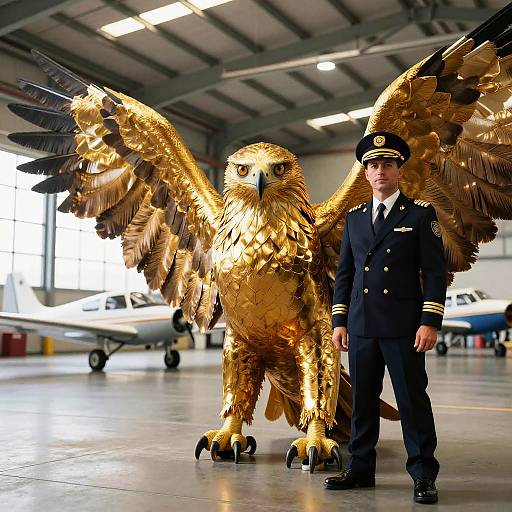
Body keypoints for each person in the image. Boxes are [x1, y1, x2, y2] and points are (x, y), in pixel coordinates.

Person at [324, 131, 446, 504]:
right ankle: (360, 468)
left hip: (404, 327)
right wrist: (339, 321)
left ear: (398, 170)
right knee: (362, 402)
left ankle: (423, 474)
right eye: (373, 165)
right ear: (366, 174)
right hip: (361, 326)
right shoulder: (355, 218)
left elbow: (436, 273)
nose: (380, 171)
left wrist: (430, 321)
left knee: (411, 401)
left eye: (387, 164)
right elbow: (345, 273)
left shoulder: (421, 215)